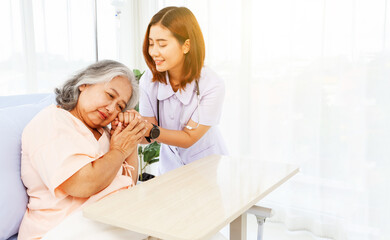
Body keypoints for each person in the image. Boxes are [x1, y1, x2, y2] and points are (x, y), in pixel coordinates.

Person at [18, 60, 149, 240]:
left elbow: (128, 182)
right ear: (84, 84)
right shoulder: (52, 121)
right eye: (110, 95)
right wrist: (119, 149)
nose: (112, 109)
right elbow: (82, 184)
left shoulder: (105, 134)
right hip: (62, 229)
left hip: (107, 219)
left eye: (120, 106)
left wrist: (129, 136)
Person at [138, 6, 228, 175]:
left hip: (208, 169)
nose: (153, 52)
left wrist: (149, 130)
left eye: (162, 44)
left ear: (186, 45)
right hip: (170, 170)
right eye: (151, 44)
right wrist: (130, 129)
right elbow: (146, 136)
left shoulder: (212, 84)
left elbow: (188, 138)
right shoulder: (148, 80)